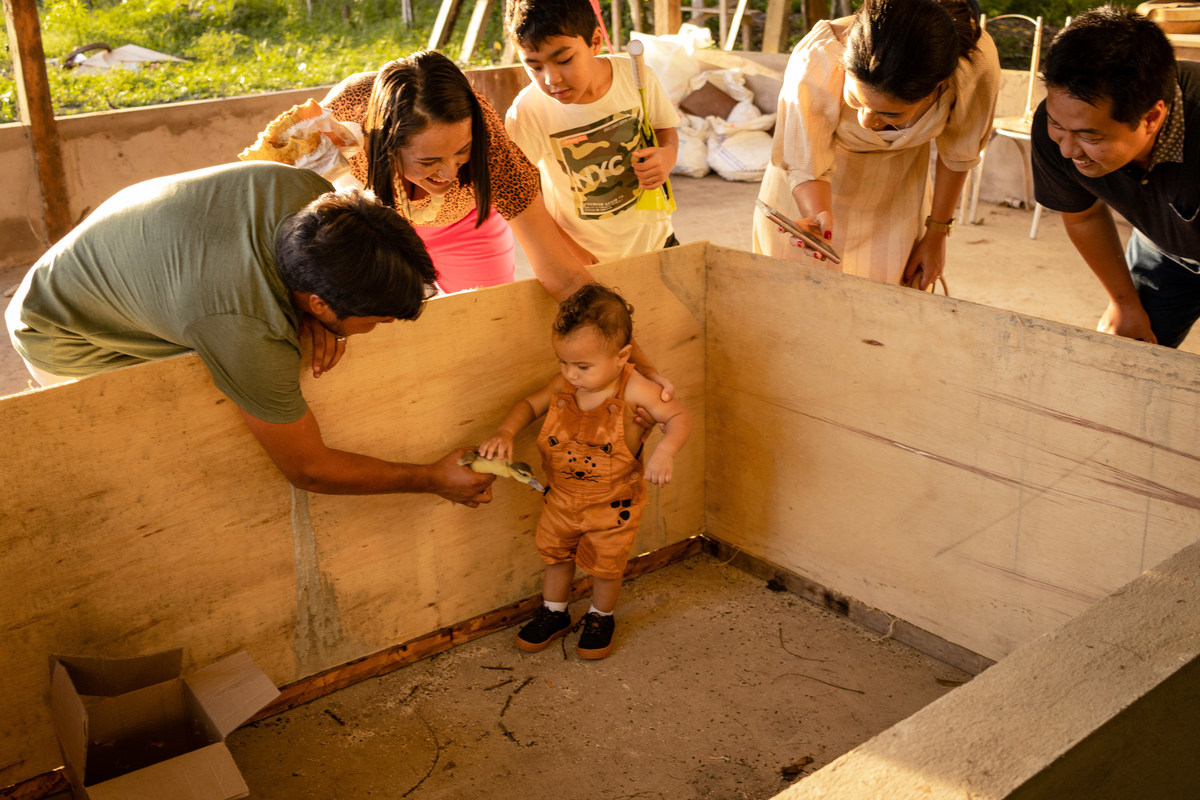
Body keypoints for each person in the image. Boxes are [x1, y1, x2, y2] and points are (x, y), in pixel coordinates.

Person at [5, 161, 496, 506]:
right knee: (174, 449)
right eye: (376, 320)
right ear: (320, 302)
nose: (378, 328)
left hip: (138, 261)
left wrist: (318, 321)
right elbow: (307, 469)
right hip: (65, 327)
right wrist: (431, 478)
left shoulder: (317, 200)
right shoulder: (247, 329)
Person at [250, 50, 590, 298]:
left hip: (465, 225)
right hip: (378, 224)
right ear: (386, 144)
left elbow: (561, 273)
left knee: (485, 318)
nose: (449, 172)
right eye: (428, 161)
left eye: (462, 153)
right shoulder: (340, 117)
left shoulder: (485, 129)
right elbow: (271, 212)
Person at [478, 284, 691, 659]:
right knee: (555, 557)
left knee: (607, 566)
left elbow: (678, 416)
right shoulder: (564, 385)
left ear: (623, 356)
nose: (570, 375)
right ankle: (554, 611)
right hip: (560, 500)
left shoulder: (635, 389)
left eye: (582, 366)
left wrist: (666, 450)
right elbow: (529, 405)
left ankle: (600, 615)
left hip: (612, 507)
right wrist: (505, 431)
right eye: (563, 362)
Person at [753, 0, 999, 288]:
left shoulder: (973, 65)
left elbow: (959, 153)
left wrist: (936, 235)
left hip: (899, 202)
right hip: (807, 194)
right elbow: (805, 162)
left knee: (888, 315)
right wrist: (817, 219)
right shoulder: (821, 54)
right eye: (855, 100)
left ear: (938, 86)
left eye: (890, 114)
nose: (867, 121)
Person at [1032, 6, 1199, 348]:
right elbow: (1084, 217)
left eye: (1090, 138)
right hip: (1164, 252)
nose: (1067, 151)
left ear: (1152, 117)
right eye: (1057, 126)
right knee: (1126, 356)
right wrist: (1123, 303)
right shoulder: (1062, 125)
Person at [503, 0, 681, 264]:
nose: (551, 79)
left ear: (595, 40)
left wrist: (667, 156)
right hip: (585, 259)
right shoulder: (528, 113)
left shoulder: (637, 77)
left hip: (659, 241)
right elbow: (521, 198)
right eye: (535, 67)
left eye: (563, 60)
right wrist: (573, 253)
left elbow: (664, 127)